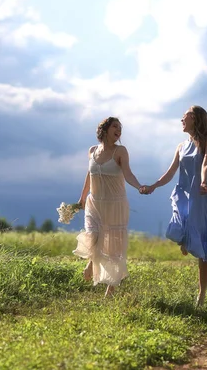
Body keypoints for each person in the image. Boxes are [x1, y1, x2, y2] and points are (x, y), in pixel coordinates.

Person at [140, 105, 207, 306]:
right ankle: (187, 239)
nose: (182, 120)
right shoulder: (181, 146)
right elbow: (171, 171)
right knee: (178, 230)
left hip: (202, 194)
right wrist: (154, 185)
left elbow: (206, 162)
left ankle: (201, 294)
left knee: (205, 246)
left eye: (185, 117)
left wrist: (204, 182)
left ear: (195, 118)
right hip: (185, 195)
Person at [73, 117, 144, 297]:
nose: (119, 130)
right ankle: (91, 262)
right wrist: (82, 197)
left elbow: (128, 173)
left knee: (113, 248)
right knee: (93, 235)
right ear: (104, 129)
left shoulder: (120, 151)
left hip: (115, 205)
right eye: (115, 126)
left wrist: (139, 186)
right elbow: (89, 175)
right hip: (94, 202)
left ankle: (110, 289)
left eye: (120, 128)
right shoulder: (92, 150)